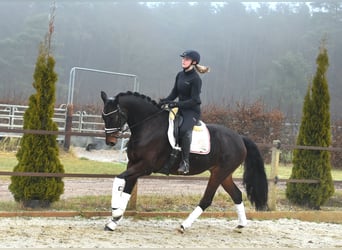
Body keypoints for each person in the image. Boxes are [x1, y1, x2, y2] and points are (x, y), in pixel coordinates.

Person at [159, 50, 210, 174]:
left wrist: (176, 104)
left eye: (186, 59)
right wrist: (164, 101)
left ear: (194, 62)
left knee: (184, 131)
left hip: (192, 112)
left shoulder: (196, 79)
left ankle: (185, 163)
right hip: (180, 109)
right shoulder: (180, 75)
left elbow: (194, 100)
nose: (183, 60)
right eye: (183, 58)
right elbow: (174, 93)